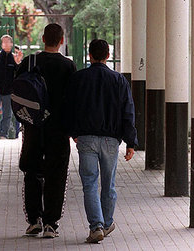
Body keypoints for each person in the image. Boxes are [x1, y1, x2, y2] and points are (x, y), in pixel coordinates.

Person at [64, 39, 138, 243]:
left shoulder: (78, 79)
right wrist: (130, 142)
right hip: (110, 141)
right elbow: (128, 112)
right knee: (109, 185)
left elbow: (69, 108)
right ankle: (106, 224)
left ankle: (96, 226)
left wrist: (73, 132)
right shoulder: (119, 80)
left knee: (89, 184)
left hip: (86, 138)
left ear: (90, 56)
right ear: (107, 56)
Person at [16, 24, 77, 238]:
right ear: (61, 41)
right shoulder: (68, 66)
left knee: (31, 171)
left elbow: (18, 92)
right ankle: (51, 224)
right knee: (57, 174)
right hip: (58, 129)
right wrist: (74, 130)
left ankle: (34, 220)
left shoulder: (29, 62)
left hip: (33, 127)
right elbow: (73, 100)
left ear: (43, 39)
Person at [0, 35, 23, 139]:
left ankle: (4, 134)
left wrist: (18, 62)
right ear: (1, 44)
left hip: (9, 92)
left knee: (7, 114)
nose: (6, 44)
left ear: (12, 44)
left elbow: (19, 74)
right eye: (4, 42)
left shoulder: (14, 58)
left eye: (8, 42)